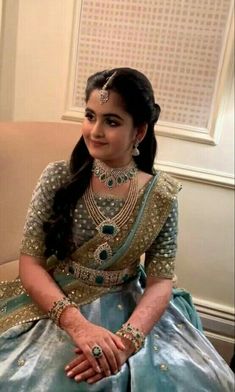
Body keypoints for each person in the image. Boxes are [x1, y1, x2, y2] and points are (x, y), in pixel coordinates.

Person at [0, 68, 233, 392]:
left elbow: (160, 281)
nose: (94, 131)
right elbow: (31, 265)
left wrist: (126, 343)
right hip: (60, 302)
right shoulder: (57, 179)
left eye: (111, 121)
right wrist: (78, 327)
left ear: (138, 132)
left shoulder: (161, 195)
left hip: (131, 308)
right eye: (90, 115)